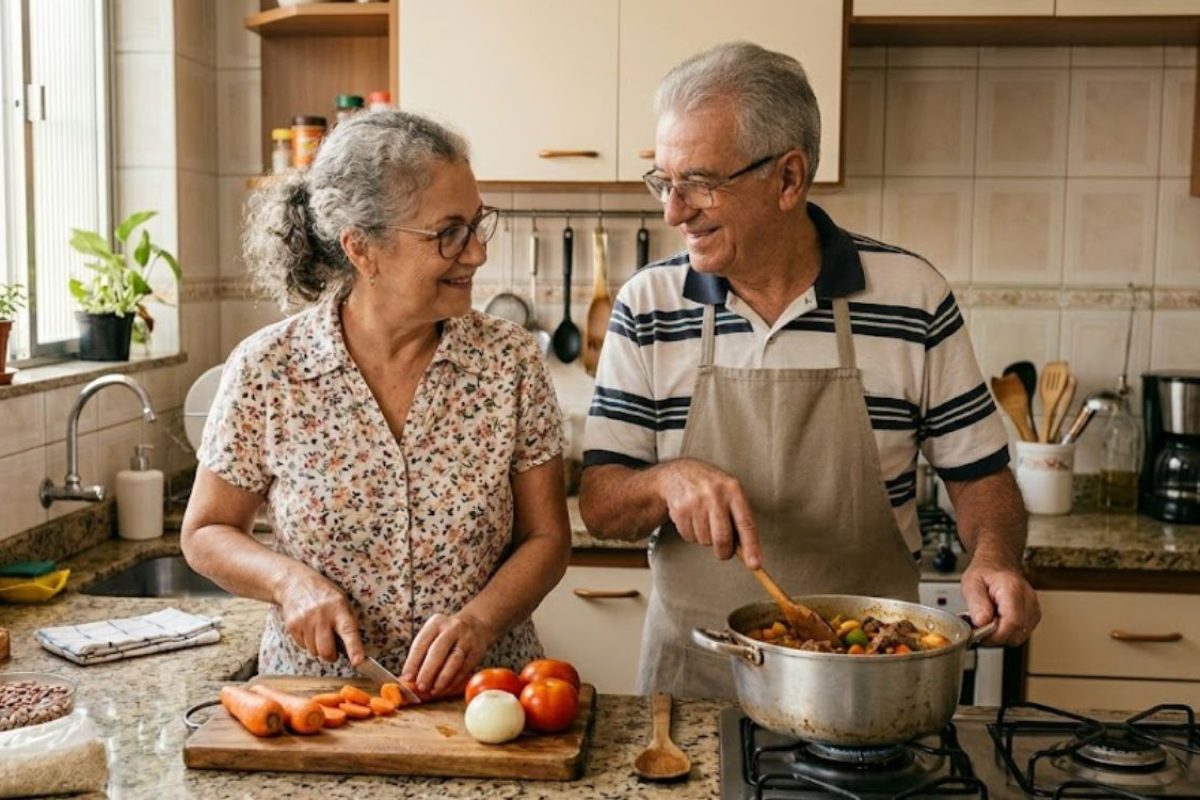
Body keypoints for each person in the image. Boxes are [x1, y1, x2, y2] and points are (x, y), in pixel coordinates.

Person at [578, 42, 1040, 698]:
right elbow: (601, 502)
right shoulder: (647, 305)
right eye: (664, 181)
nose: (673, 211)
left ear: (788, 179)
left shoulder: (911, 297)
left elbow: (979, 477)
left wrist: (995, 556)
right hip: (695, 681)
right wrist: (666, 482)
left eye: (699, 183)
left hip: (868, 679)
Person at [182, 110, 571, 697]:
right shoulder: (269, 369)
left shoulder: (509, 362)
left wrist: (480, 621)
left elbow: (548, 539)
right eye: (449, 233)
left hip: (481, 698)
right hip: (319, 704)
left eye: (476, 224)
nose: (476, 253)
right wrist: (289, 582)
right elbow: (207, 531)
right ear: (362, 249)